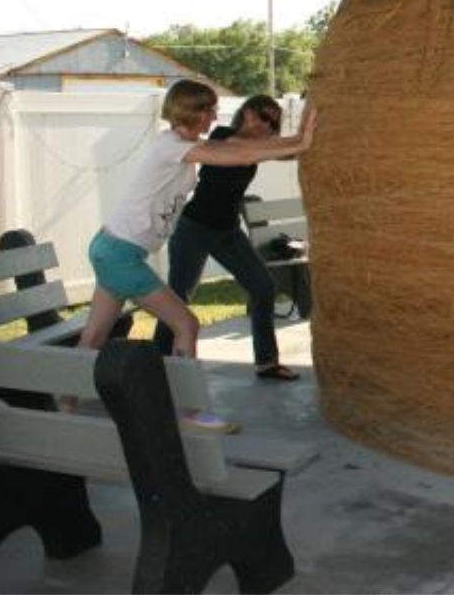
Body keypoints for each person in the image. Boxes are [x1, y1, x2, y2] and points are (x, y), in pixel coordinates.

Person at [72, 80, 316, 431]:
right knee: (185, 323)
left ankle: (65, 401)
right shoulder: (172, 146)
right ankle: (187, 412)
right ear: (193, 111)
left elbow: (254, 149)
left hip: (111, 247)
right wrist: (301, 140)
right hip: (122, 254)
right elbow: (240, 153)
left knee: (94, 338)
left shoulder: (181, 145)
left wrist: (300, 142)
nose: (215, 116)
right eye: (209, 110)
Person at [153, 95, 300, 381]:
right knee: (178, 298)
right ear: (246, 113)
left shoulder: (260, 148)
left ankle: (267, 363)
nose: (268, 125)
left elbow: (284, 151)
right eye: (263, 116)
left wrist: (310, 139)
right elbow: (252, 149)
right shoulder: (222, 137)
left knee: (263, 287)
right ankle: (157, 362)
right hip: (194, 228)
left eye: (273, 122)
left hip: (227, 230)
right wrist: (289, 143)